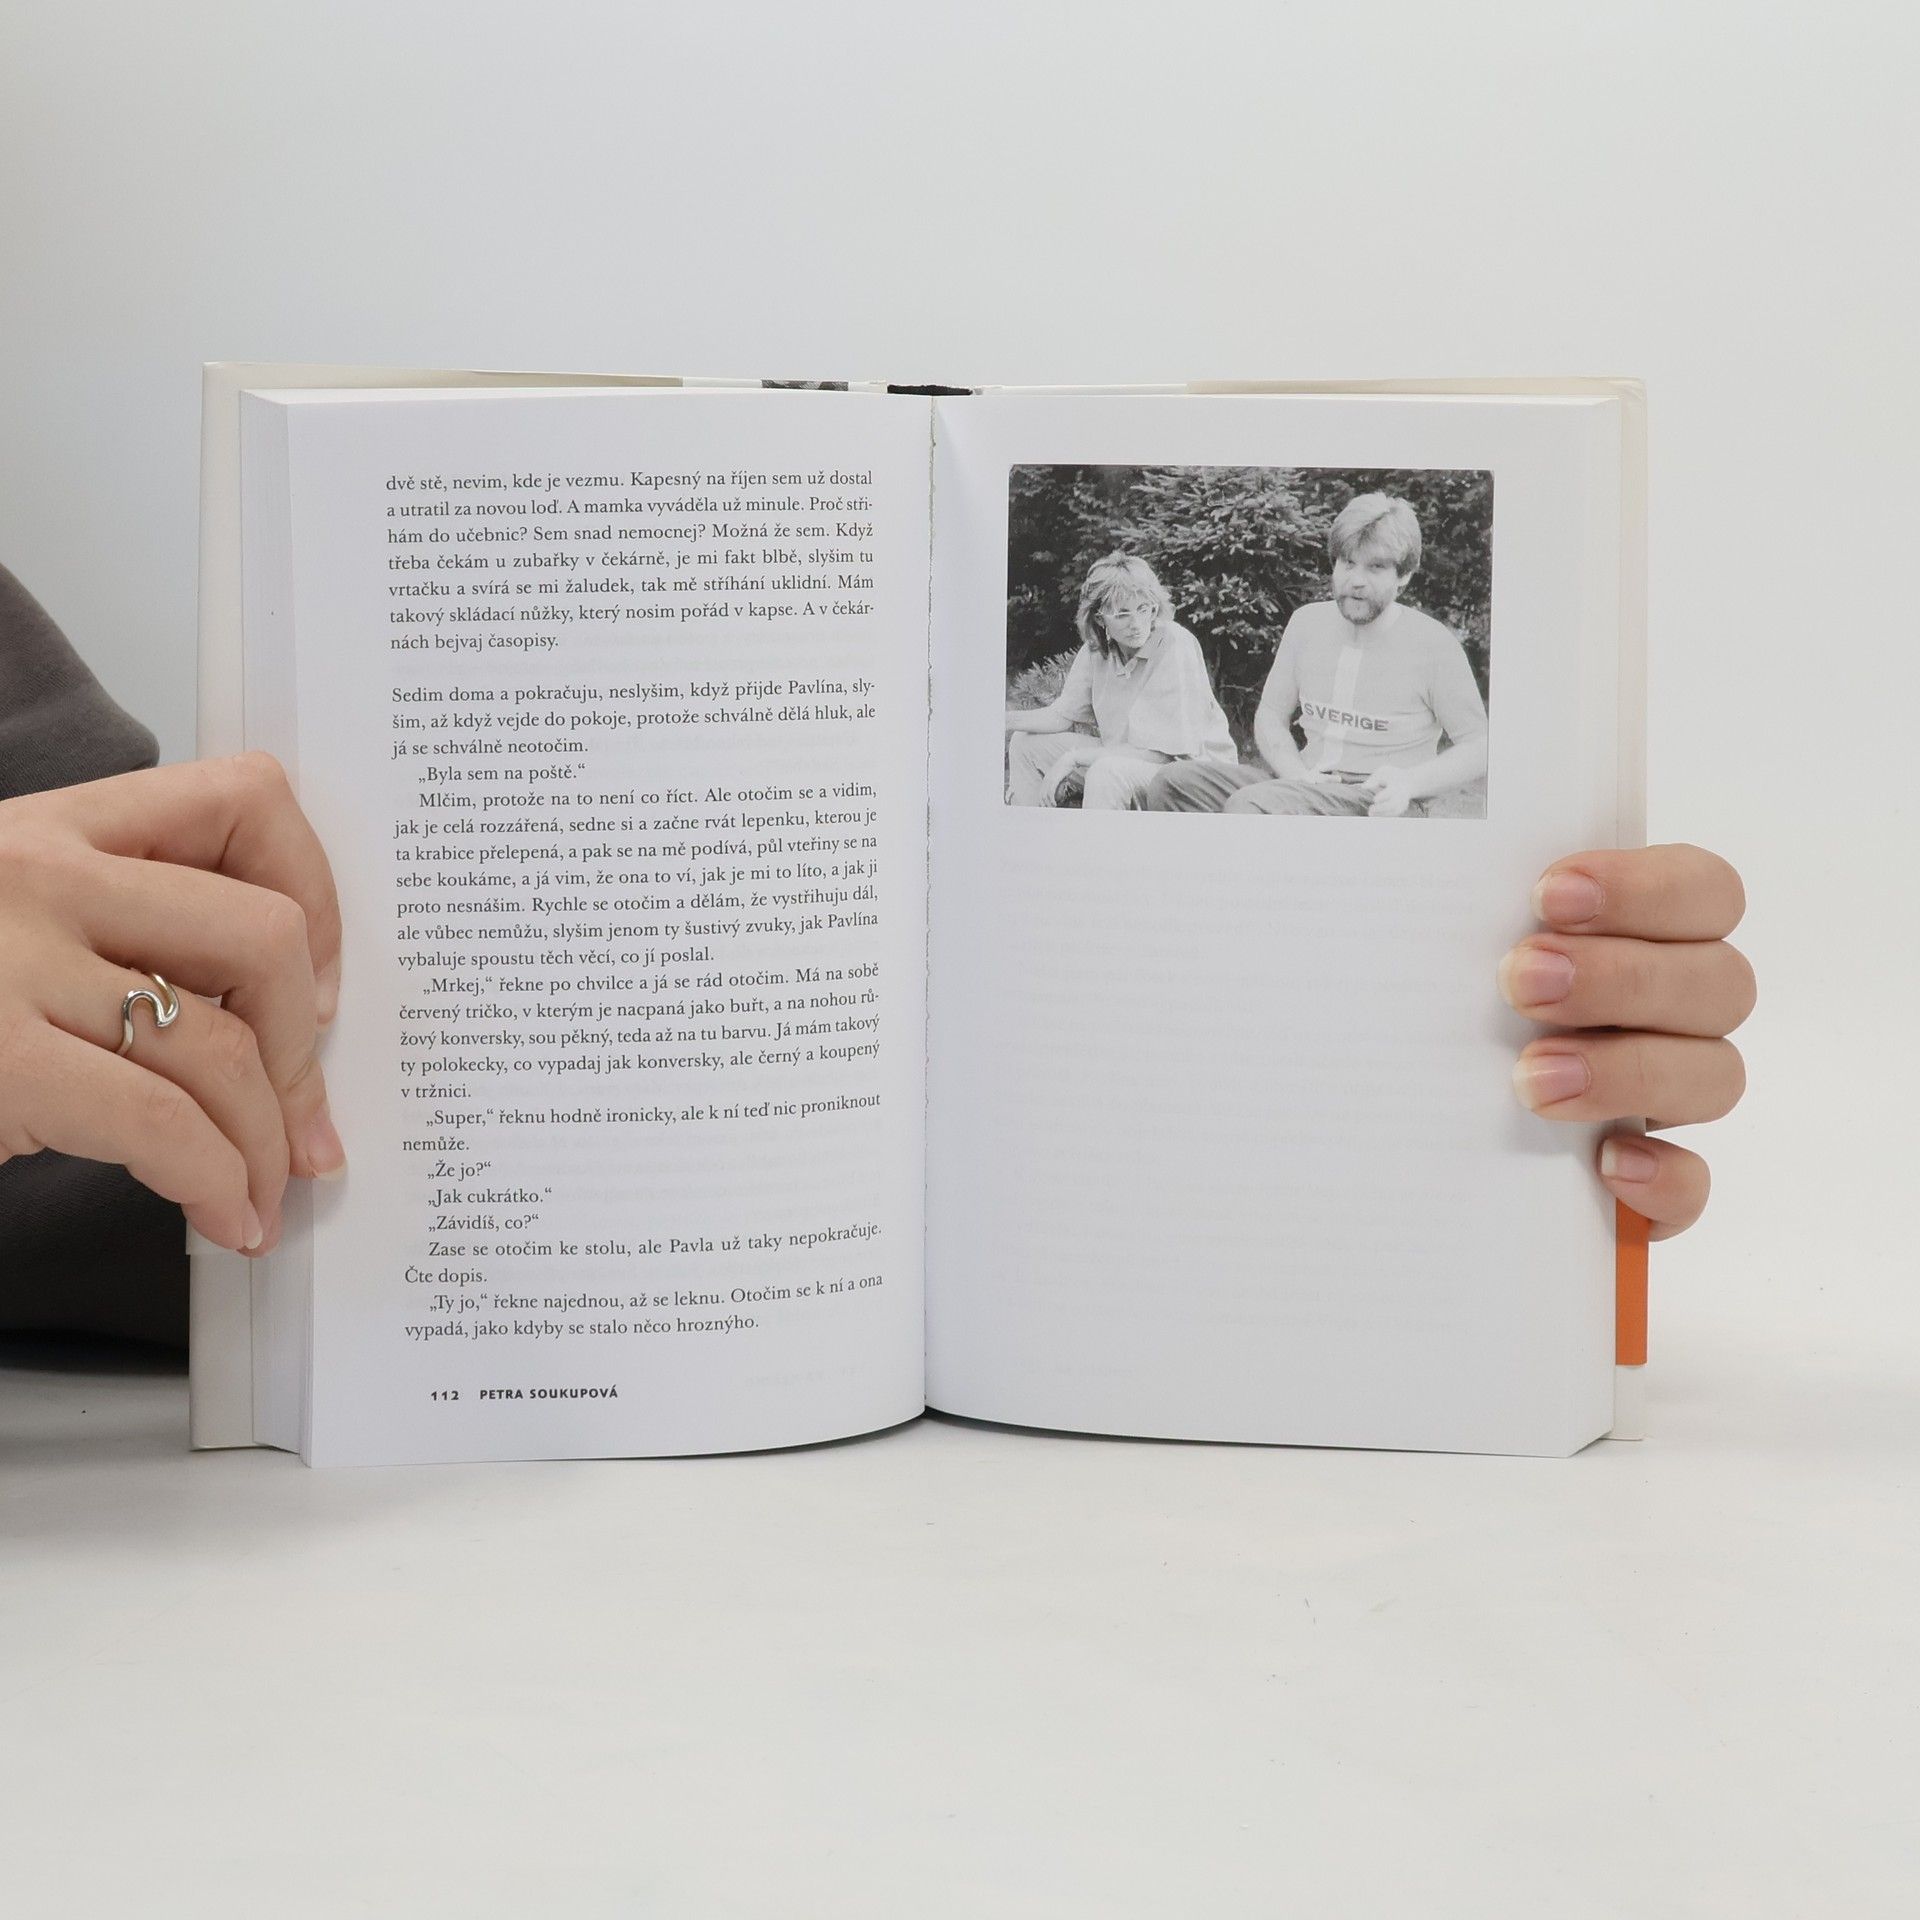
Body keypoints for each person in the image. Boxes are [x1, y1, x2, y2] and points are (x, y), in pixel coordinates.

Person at [0, 564, 1748, 1351]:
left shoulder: (1264, 652)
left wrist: (1417, 1160)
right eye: (1114, 613)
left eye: (1137, 611)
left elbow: (181, 1110)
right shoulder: (1139, 655)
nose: (1127, 623)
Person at [1144, 492, 1487, 817]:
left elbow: (1479, 746)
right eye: (1347, 563)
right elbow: (1270, 716)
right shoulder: (1306, 623)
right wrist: (1297, 775)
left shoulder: (1433, 644)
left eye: (1375, 567)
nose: (1356, 580)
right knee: (1172, 784)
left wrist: (1408, 783)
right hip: (1307, 784)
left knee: (1253, 806)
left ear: (1404, 576)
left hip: (1376, 800)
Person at [1006, 553, 1237, 808]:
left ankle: (1096, 836)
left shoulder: (1174, 644)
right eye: (1122, 614)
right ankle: (1031, 827)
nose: (1136, 624)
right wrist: (1000, 720)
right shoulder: (1096, 650)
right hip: (1126, 759)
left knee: (1105, 771)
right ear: (1099, 618)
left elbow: (1162, 754)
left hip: (1192, 775)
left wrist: (1073, 758)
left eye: (1143, 609)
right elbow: (1061, 716)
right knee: (1024, 743)